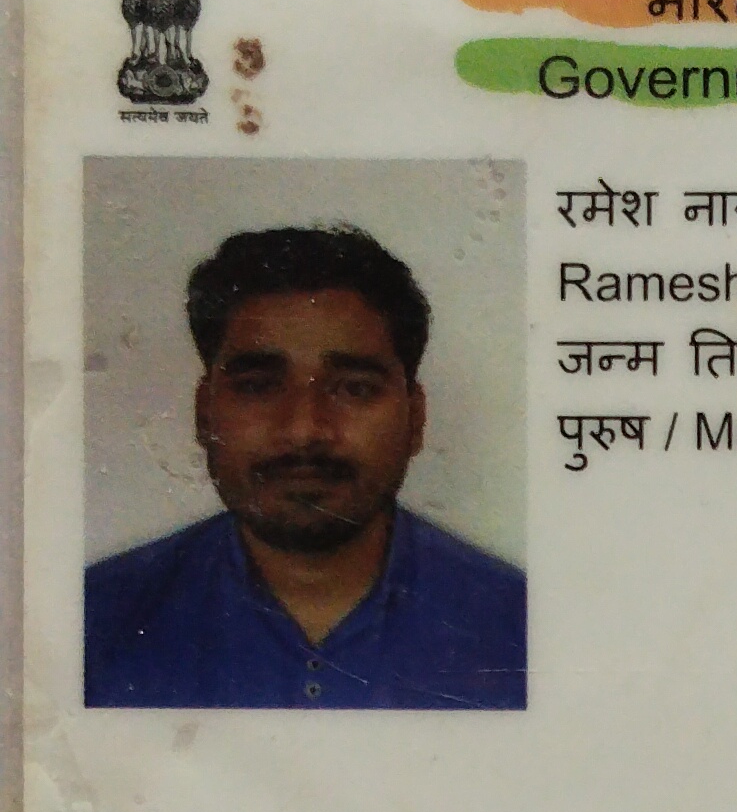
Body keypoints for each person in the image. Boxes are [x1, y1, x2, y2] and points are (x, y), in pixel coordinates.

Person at [84, 223, 527, 708]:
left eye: (354, 388)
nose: (303, 430)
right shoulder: (91, 626)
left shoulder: (525, 631)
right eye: (258, 386)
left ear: (416, 418)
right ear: (204, 414)